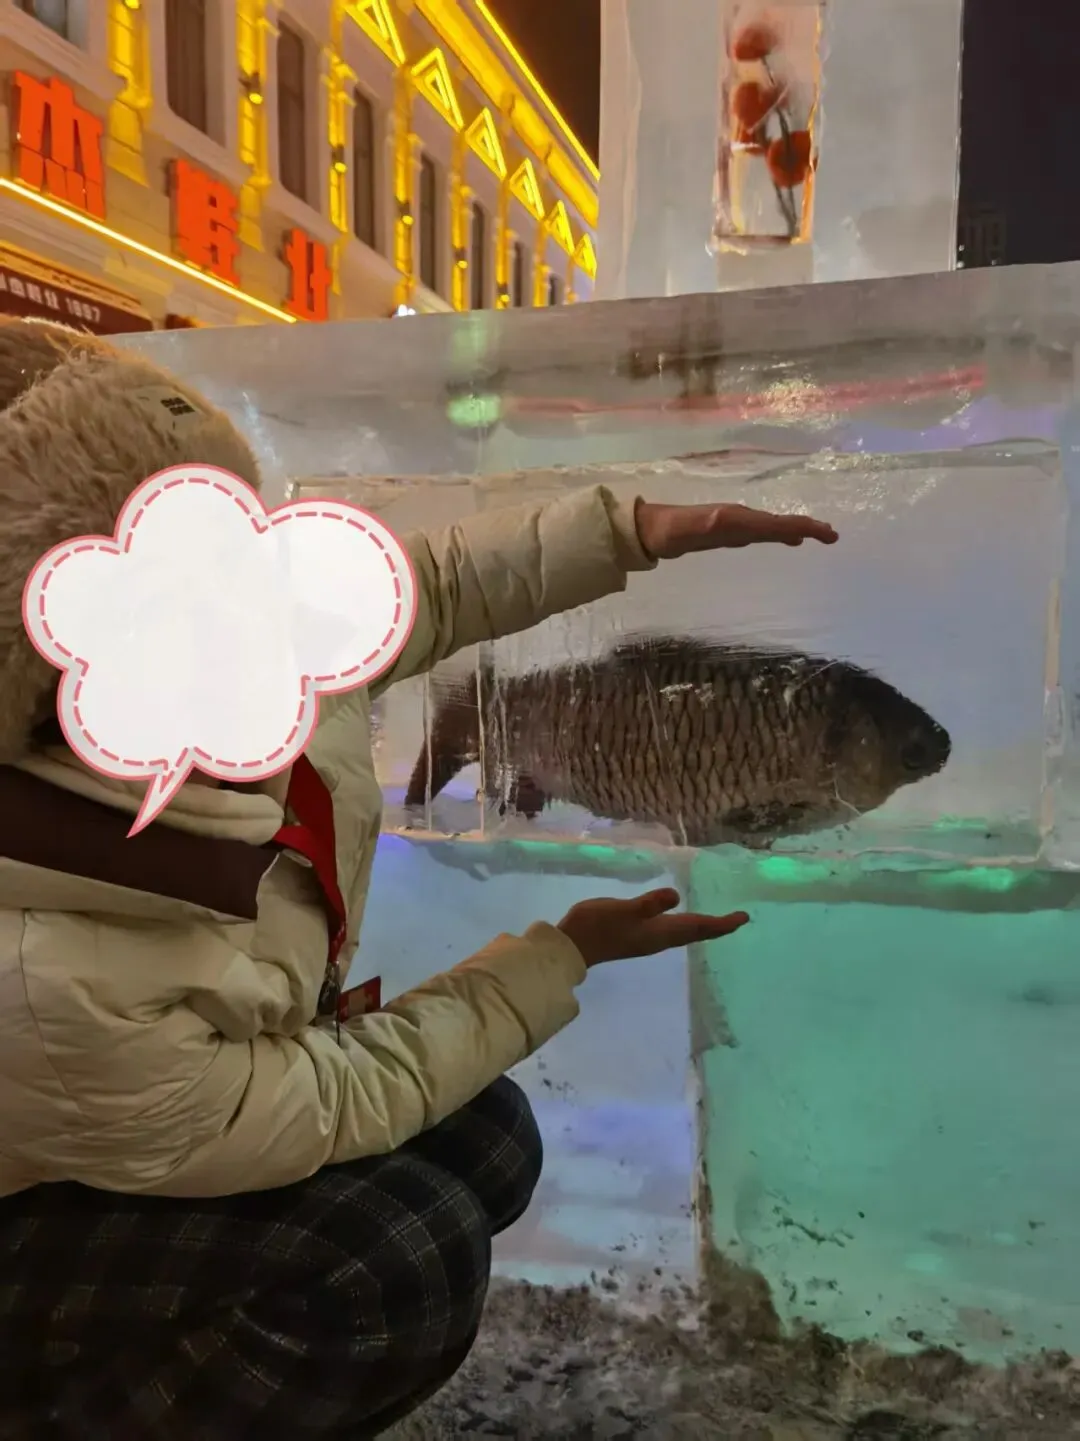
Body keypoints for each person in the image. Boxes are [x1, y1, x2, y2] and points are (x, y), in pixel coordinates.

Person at [0, 316, 837, 1439]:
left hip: (119, 1126)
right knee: (398, 1256)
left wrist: (627, 531)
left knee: (483, 1138)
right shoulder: (48, 975)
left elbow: (423, 588)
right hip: (40, 1188)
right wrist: (559, 954)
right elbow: (334, 1096)